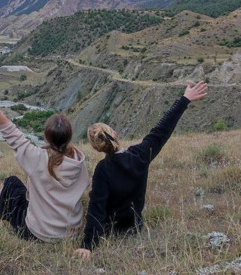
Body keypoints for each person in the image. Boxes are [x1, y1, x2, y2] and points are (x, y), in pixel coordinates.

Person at [74, 80, 208, 259]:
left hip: (111, 231)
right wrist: (184, 99)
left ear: (96, 148)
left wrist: (88, 245)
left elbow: (96, 208)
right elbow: (161, 130)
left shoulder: (102, 170)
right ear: (115, 135)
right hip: (134, 228)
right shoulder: (140, 156)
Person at [0, 90, 89, 242]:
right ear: (69, 136)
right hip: (71, 232)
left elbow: (11, 133)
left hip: (38, 233)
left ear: (47, 137)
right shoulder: (78, 161)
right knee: (16, 192)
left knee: (11, 183)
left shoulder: (36, 157)